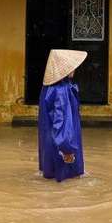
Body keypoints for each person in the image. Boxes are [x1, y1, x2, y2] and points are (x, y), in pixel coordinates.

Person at [38, 49, 87, 182]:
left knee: (51, 182)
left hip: (49, 145)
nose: (74, 69)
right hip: (62, 147)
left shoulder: (48, 88)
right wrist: (67, 149)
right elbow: (61, 121)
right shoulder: (62, 91)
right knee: (68, 183)